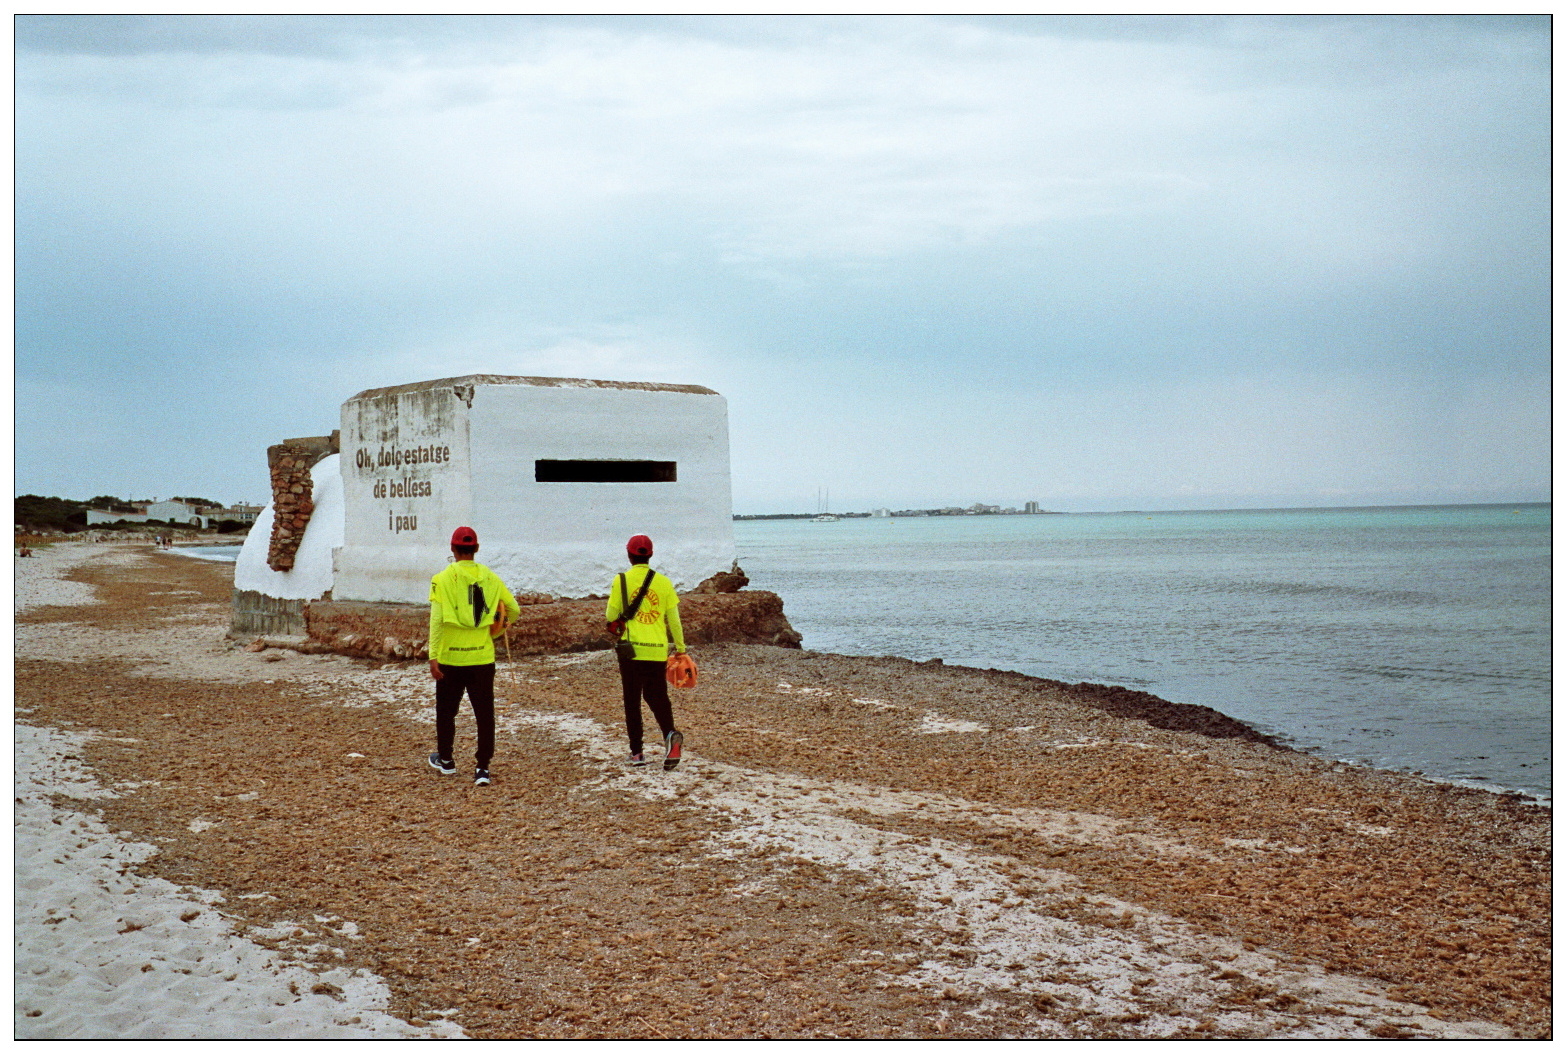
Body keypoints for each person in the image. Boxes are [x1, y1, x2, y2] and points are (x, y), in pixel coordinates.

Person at [428, 526, 519, 786]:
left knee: (447, 711)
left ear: (453, 549)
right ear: (476, 549)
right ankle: (482, 768)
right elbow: (513, 610)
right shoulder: (491, 577)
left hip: (451, 658)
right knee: (484, 713)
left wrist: (433, 656)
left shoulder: (442, 579)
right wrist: (495, 630)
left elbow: (436, 621)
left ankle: (446, 760)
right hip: (482, 658)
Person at [606, 534, 688, 770]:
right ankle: (670, 735)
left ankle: (637, 753)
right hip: (657, 650)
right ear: (650, 555)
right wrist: (680, 649)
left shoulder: (621, 580)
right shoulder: (664, 583)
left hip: (631, 651)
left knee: (632, 700)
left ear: (629, 555)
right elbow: (674, 620)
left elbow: (611, 616)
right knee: (657, 696)